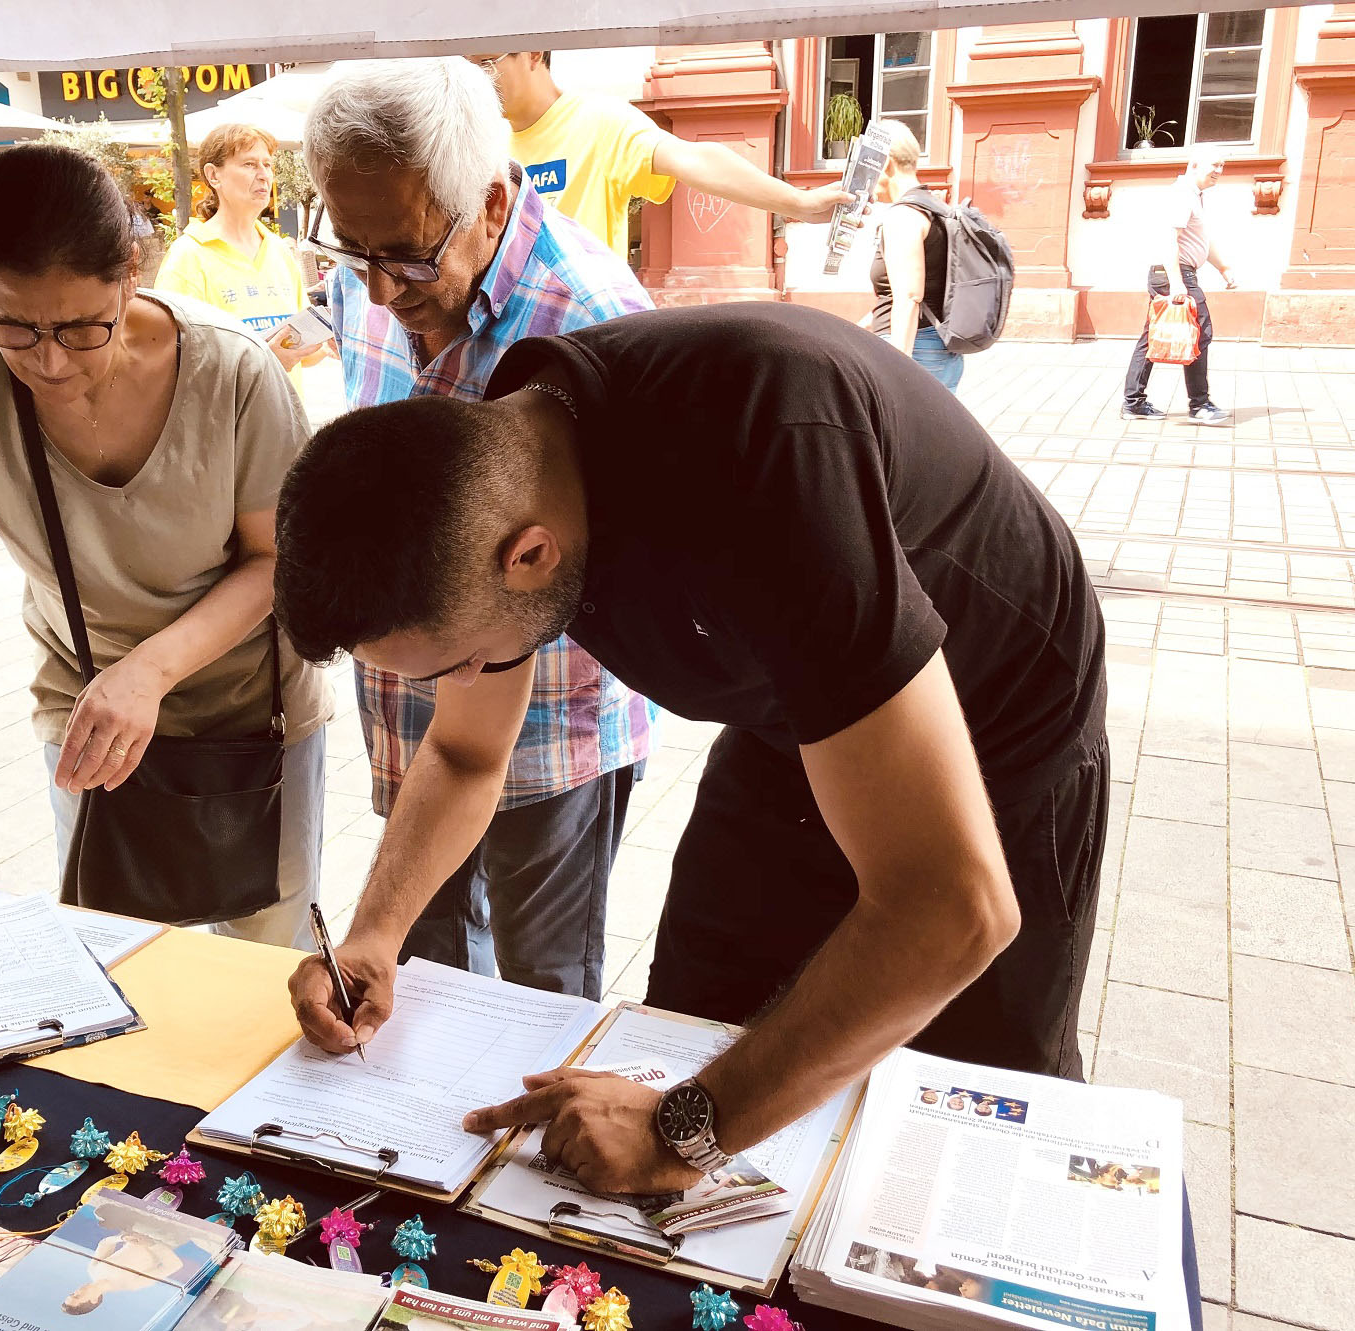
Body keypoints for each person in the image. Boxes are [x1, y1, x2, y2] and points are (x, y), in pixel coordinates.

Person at [275, 301, 1108, 1196]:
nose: (470, 678)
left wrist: (682, 1133)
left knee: (966, 1107)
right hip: (787, 715)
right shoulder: (499, 473)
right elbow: (467, 755)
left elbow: (952, 909)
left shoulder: (765, 453)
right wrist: (375, 935)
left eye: (465, 659)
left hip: (1001, 720)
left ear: (529, 555)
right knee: (692, 1018)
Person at [0, 143, 332, 966]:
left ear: (129, 276)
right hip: (89, 717)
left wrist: (149, 671)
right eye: (12, 326)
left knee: (265, 969)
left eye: (83, 328)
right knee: (113, 968)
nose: (48, 363)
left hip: (255, 713)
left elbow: (277, 562)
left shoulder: (232, 372)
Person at [295, 58, 657, 1003]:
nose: (379, 292)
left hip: (550, 729)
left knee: (541, 995)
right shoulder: (373, 275)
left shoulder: (594, 322)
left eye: (408, 257)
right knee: (416, 975)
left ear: (492, 203)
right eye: (351, 250)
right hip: (405, 708)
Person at [468, 50, 854, 259]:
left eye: (486, 63)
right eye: (467, 66)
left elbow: (695, 160)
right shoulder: (481, 143)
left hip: (585, 345)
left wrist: (799, 203)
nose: (476, 79)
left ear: (533, 51)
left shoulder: (599, 121)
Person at [155, 124, 326, 384]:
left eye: (267, 165)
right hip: (229, 411)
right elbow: (171, 362)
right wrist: (260, 365)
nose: (264, 175)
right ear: (214, 175)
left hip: (287, 409)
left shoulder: (279, 250)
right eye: (249, 164)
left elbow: (302, 351)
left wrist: (329, 342)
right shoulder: (187, 257)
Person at [1122, 146, 1237, 426]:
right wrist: (1177, 283)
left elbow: (1199, 242)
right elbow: (1168, 241)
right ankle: (1199, 405)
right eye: (1214, 165)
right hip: (1175, 275)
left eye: (1222, 166)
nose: (1219, 171)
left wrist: (1224, 268)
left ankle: (1134, 403)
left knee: (1154, 336)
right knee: (1200, 332)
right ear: (1195, 164)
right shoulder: (1182, 194)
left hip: (1177, 273)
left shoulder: (1193, 196)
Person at [861, 120, 961, 392]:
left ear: (885, 164)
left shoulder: (902, 217)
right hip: (938, 347)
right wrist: (859, 329)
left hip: (914, 349)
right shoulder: (935, 207)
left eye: (867, 166)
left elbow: (909, 297)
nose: (866, 180)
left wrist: (899, 367)